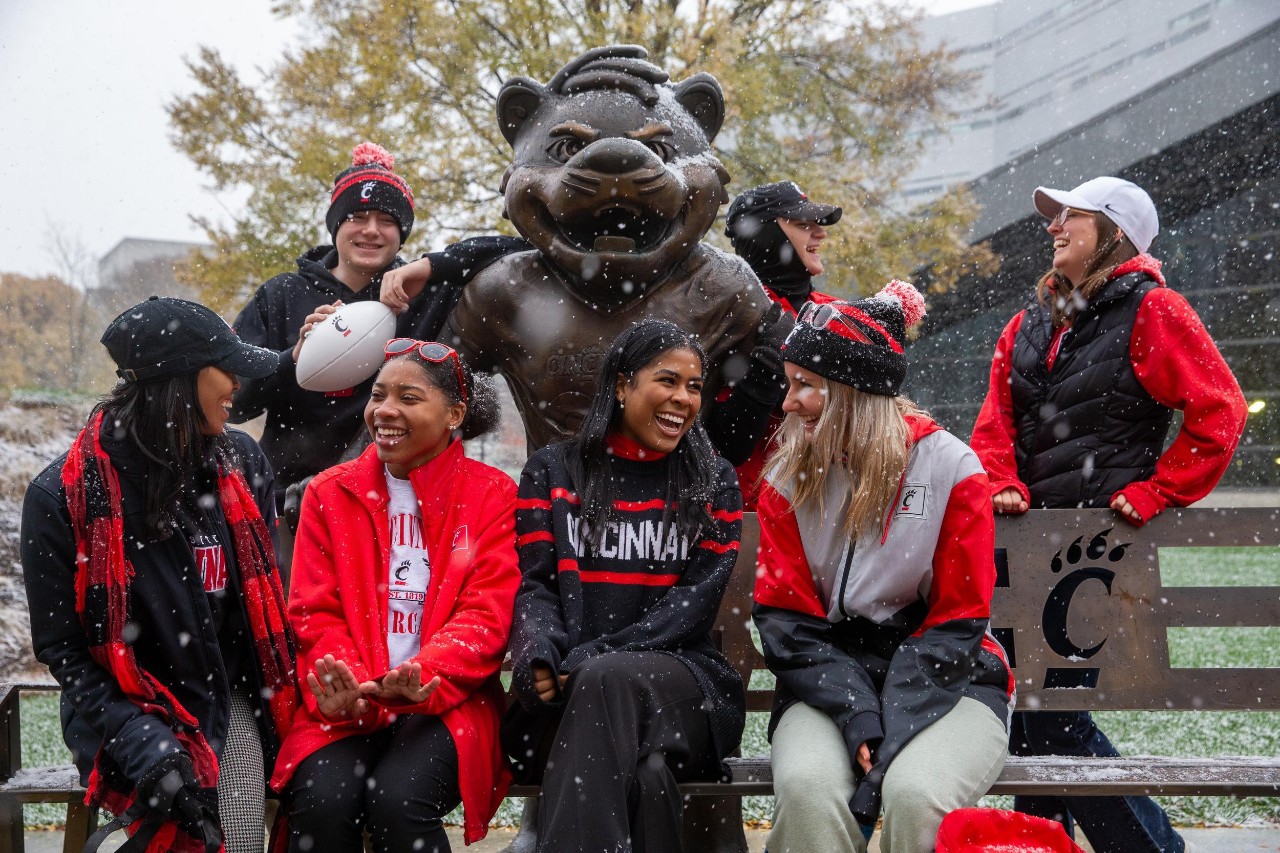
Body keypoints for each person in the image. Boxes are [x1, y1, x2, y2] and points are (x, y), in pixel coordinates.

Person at [970, 176, 1248, 852]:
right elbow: (993, 424)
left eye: (1072, 216)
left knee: (1055, 725)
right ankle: (1048, 843)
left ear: (1113, 233)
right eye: (1054, 216)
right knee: (1022, 721)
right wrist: (1002, 478)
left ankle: (1154, 849)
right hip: (1017, 554)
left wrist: (1159, 489)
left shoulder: (1156, 312)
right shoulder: (1026, 321)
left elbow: (1220, 413)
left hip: (1092, 558)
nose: (1054, 226)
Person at [22, 297, 299, 853]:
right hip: (122, 707)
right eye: (227, 368)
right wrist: (145, 741)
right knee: (168, 807)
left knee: (240, 811)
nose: (238, 385)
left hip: (236, 694)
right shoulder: (62, 497)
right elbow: (66, 652)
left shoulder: (241, 463)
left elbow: (272, 612)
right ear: (180, 382)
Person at [753, 282, 1014, 853]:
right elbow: (786, 621)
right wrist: (855, 710)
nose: (787, 402)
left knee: (917, 795)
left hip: (955, 681)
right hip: (826, 684)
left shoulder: (951, 467)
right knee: (807, 791)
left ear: (851, 394)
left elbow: (959, 619)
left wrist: (894, 714)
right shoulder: (785, 480)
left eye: (805, 386)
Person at [502, 319, 747, 853]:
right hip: (567, 704)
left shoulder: (713, 482)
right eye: (667, 380)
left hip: (684, 694)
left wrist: (592, 656)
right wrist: (540, 653)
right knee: (647, 773)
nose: (683, 398)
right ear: (621, 385)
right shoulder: (554, 472)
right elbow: (536, 584)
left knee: (607, 679)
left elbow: (691, 608)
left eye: (694, 386)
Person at [270, 339, 519, 852]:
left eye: (408, 398)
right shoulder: (329, 492)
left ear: (454, 414)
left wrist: (420, 678)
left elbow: (485, 615)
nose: (385, 410)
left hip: (449, 703)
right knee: (322, 802)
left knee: (399, 802)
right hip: (348, 703)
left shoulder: (491, 495)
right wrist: (350, 684)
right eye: (379, 395)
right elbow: (314, 611)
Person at [230, 141, 522, 509]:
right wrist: (293, 359)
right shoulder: (280, 294)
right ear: (336, 224)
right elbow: (235, 404)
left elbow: (519, 251)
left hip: (396, 502)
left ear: (402, 233)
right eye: (357, 217)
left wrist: (433, 265)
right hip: (286, 498)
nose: (371, 230)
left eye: (386, 221)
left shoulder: (424, 292)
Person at [719, 179, 844, 508]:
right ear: (767, 238)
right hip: (751, 517)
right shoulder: (728, 314)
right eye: (804, 225)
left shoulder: (836, 313)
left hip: (829, 513)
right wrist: (766, 371)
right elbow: (725, 443)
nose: (820, 233)